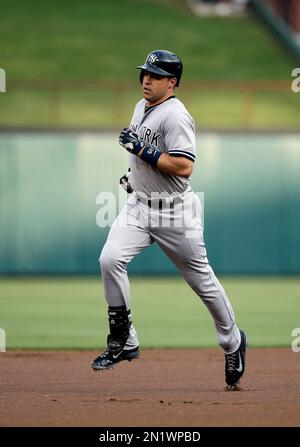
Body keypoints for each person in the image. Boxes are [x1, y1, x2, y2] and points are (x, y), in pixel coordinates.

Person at [91, 49, 247, 388]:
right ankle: (124, 338)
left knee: (202, 282)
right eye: (145, 73)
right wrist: (134, 175)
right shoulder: (141, 106)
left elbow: (184, 165)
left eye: (155, 75)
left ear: (171, 82)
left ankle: (232, 341)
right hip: (139, 205)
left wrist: (141, 150)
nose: (147, 79)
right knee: (110, 259)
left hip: (175, 212)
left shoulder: (176, 116)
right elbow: (146, 159)